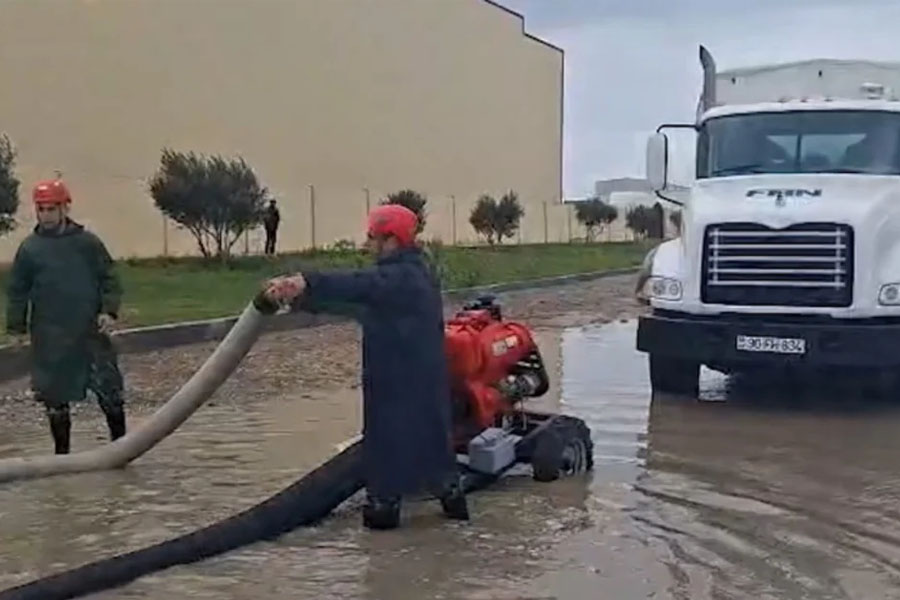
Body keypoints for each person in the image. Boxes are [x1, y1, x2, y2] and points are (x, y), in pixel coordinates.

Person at [262, 204, 469, 530]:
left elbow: (360, 284)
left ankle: (388, 529)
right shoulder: (406, 278)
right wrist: (299, 299)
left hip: (398, 393)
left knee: (387, 487)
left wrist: (306, 281)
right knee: (437, 466)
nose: (368, 243)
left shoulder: (403, 278)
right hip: (411, 389)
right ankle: (450, 521)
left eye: (373, 237)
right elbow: (355, 302)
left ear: (392, 240)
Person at [6, 178, 126, 454]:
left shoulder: (88, 243)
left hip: (89, 331)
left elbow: (109, 277)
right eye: (41, 209)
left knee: (110, 392)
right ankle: (62, 457)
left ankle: (122, 450)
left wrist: (108, 310)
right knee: (54, 398)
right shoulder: (30, 249)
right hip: (50, 336)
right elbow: (17, 291)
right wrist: (15, 328)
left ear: (65, 208)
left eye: (52, 208)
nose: (46, 215)